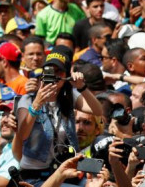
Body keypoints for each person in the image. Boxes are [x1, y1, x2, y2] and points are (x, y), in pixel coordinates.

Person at [14, 48, 103, 185]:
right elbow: (23, 135)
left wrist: (81, 87)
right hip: (36, 176)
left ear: (66, 76)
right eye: (49, 71)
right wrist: (37, 104)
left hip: (65, 171)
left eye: (58, 72)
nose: (54, 76)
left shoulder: (70, 96)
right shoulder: (27, 100)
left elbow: (97, 110)